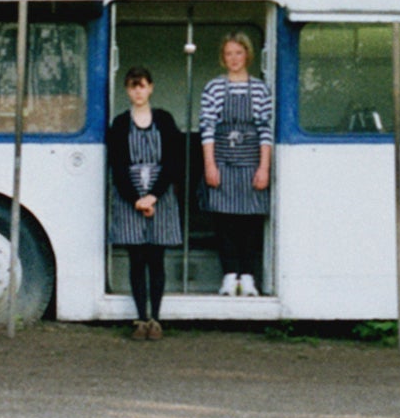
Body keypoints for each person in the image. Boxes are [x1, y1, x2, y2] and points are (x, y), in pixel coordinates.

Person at [103, 65, 185, 339]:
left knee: (156, 258)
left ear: (151, 88)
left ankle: (156, 319)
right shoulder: (119, 123)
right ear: (127, 90)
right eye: (132, 86)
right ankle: (139, 318)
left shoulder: (164, 119)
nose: (138, 91)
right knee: (136, 259)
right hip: (130, 198)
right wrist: (136, 199)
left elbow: (173, 161)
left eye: (142, 85)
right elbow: (117, 165)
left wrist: (154, 195)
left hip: (160, 196)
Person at [195, 30, 273, 297]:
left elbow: (265, 130)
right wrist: (210, 165)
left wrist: (264, 167)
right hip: (222, 162)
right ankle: (229, 276)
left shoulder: (260, 89)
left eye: (238, 53)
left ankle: (248, 277)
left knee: (250, 222)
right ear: (222, 57)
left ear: (248, 55)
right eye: (229, 53)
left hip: (252, 164)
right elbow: (206, 128)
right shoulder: (214, 87)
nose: (234, 58)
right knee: (224, 221)